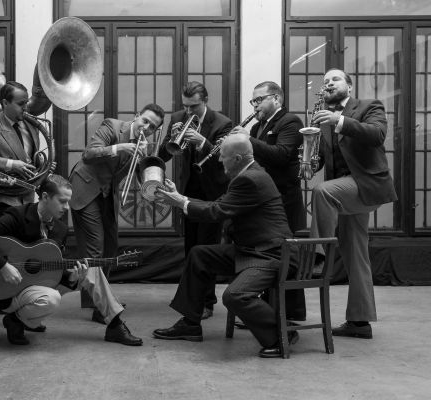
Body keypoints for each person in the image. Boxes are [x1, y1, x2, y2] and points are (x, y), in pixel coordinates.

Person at [152, 135, 297, 358]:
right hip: (251, 250)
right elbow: (218, 205)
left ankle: (281, 334)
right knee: (200, 254)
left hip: (271, 254)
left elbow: (216, 212)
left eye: (223, 156)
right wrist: (181, 197)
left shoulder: (250, 179)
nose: (219, 160)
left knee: (235, 295)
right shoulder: (248, 174)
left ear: (237, 158)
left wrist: (181, 202)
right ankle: (191, 323)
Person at [0, 174, 142, 346]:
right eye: (62, 201)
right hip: (5, 291)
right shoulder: (18, 216)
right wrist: (3, 266)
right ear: (45, 197)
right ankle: (18, 320)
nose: (67, 207)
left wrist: (72, 277)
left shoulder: (60, 229)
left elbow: (50, 270)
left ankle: (115, 325)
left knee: (92, 269)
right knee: (51, 299)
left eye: (68, 202)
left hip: (33, 287)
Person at [310, 68, 397, 339]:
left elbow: (376, 135)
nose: (329, 84)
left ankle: (318, 256)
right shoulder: (324, 118)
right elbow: (327, 157)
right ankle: (360, 322)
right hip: (344, 192)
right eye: (325, 81)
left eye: (335, 79)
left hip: (365, 184)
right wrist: (310, 162)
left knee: (322, 191)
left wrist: (340, 120)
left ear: (349, 86)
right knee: (356, 255)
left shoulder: (369, 106)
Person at [68, 103, 165, 319]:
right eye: (145, 121)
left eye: (152, 127)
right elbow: (88, 154)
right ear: (136, 115)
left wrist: (152, 184)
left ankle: (98, 298)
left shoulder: (143, 145)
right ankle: (99, 307)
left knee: (111, 247)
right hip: (86, 185)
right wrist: (119, 148)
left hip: (106, 192)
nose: (146, 128)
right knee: (95, 247)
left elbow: (140, 175)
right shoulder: (112, 126)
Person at [157, 81, 234, 320]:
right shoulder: (179, 116)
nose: (189, 112)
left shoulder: (223, 123)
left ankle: (207, 301)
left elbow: (224, 161)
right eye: (186, 106)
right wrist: (172, 138)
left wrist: (202, 141)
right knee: (191, 247)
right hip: (188, 192)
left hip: (213, 193)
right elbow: (163, 154)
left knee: (207, 248)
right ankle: (192, 299)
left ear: (206, 100)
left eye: (194, 106)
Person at [230, 81, 307, 321]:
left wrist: (248, 140)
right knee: (267, 257)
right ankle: (266, 313)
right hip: (265, 202)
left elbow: (282, 155)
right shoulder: (256, 127)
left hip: (285, 199)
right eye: (253, 101)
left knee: (287, 259)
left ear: (276, 99)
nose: (255, 106)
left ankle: (289, 317)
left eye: (258, 100)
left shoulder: (290, 122)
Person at [0, 80, 42, 315]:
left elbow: (31, 157)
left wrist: (43, 165)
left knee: (20, 246)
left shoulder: (30, 125)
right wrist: (10, 164)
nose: (26, 107)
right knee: (11, 245)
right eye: (21, 103)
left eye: (27, 102)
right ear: (5, 102)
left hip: (27, 193)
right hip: (5, 195)